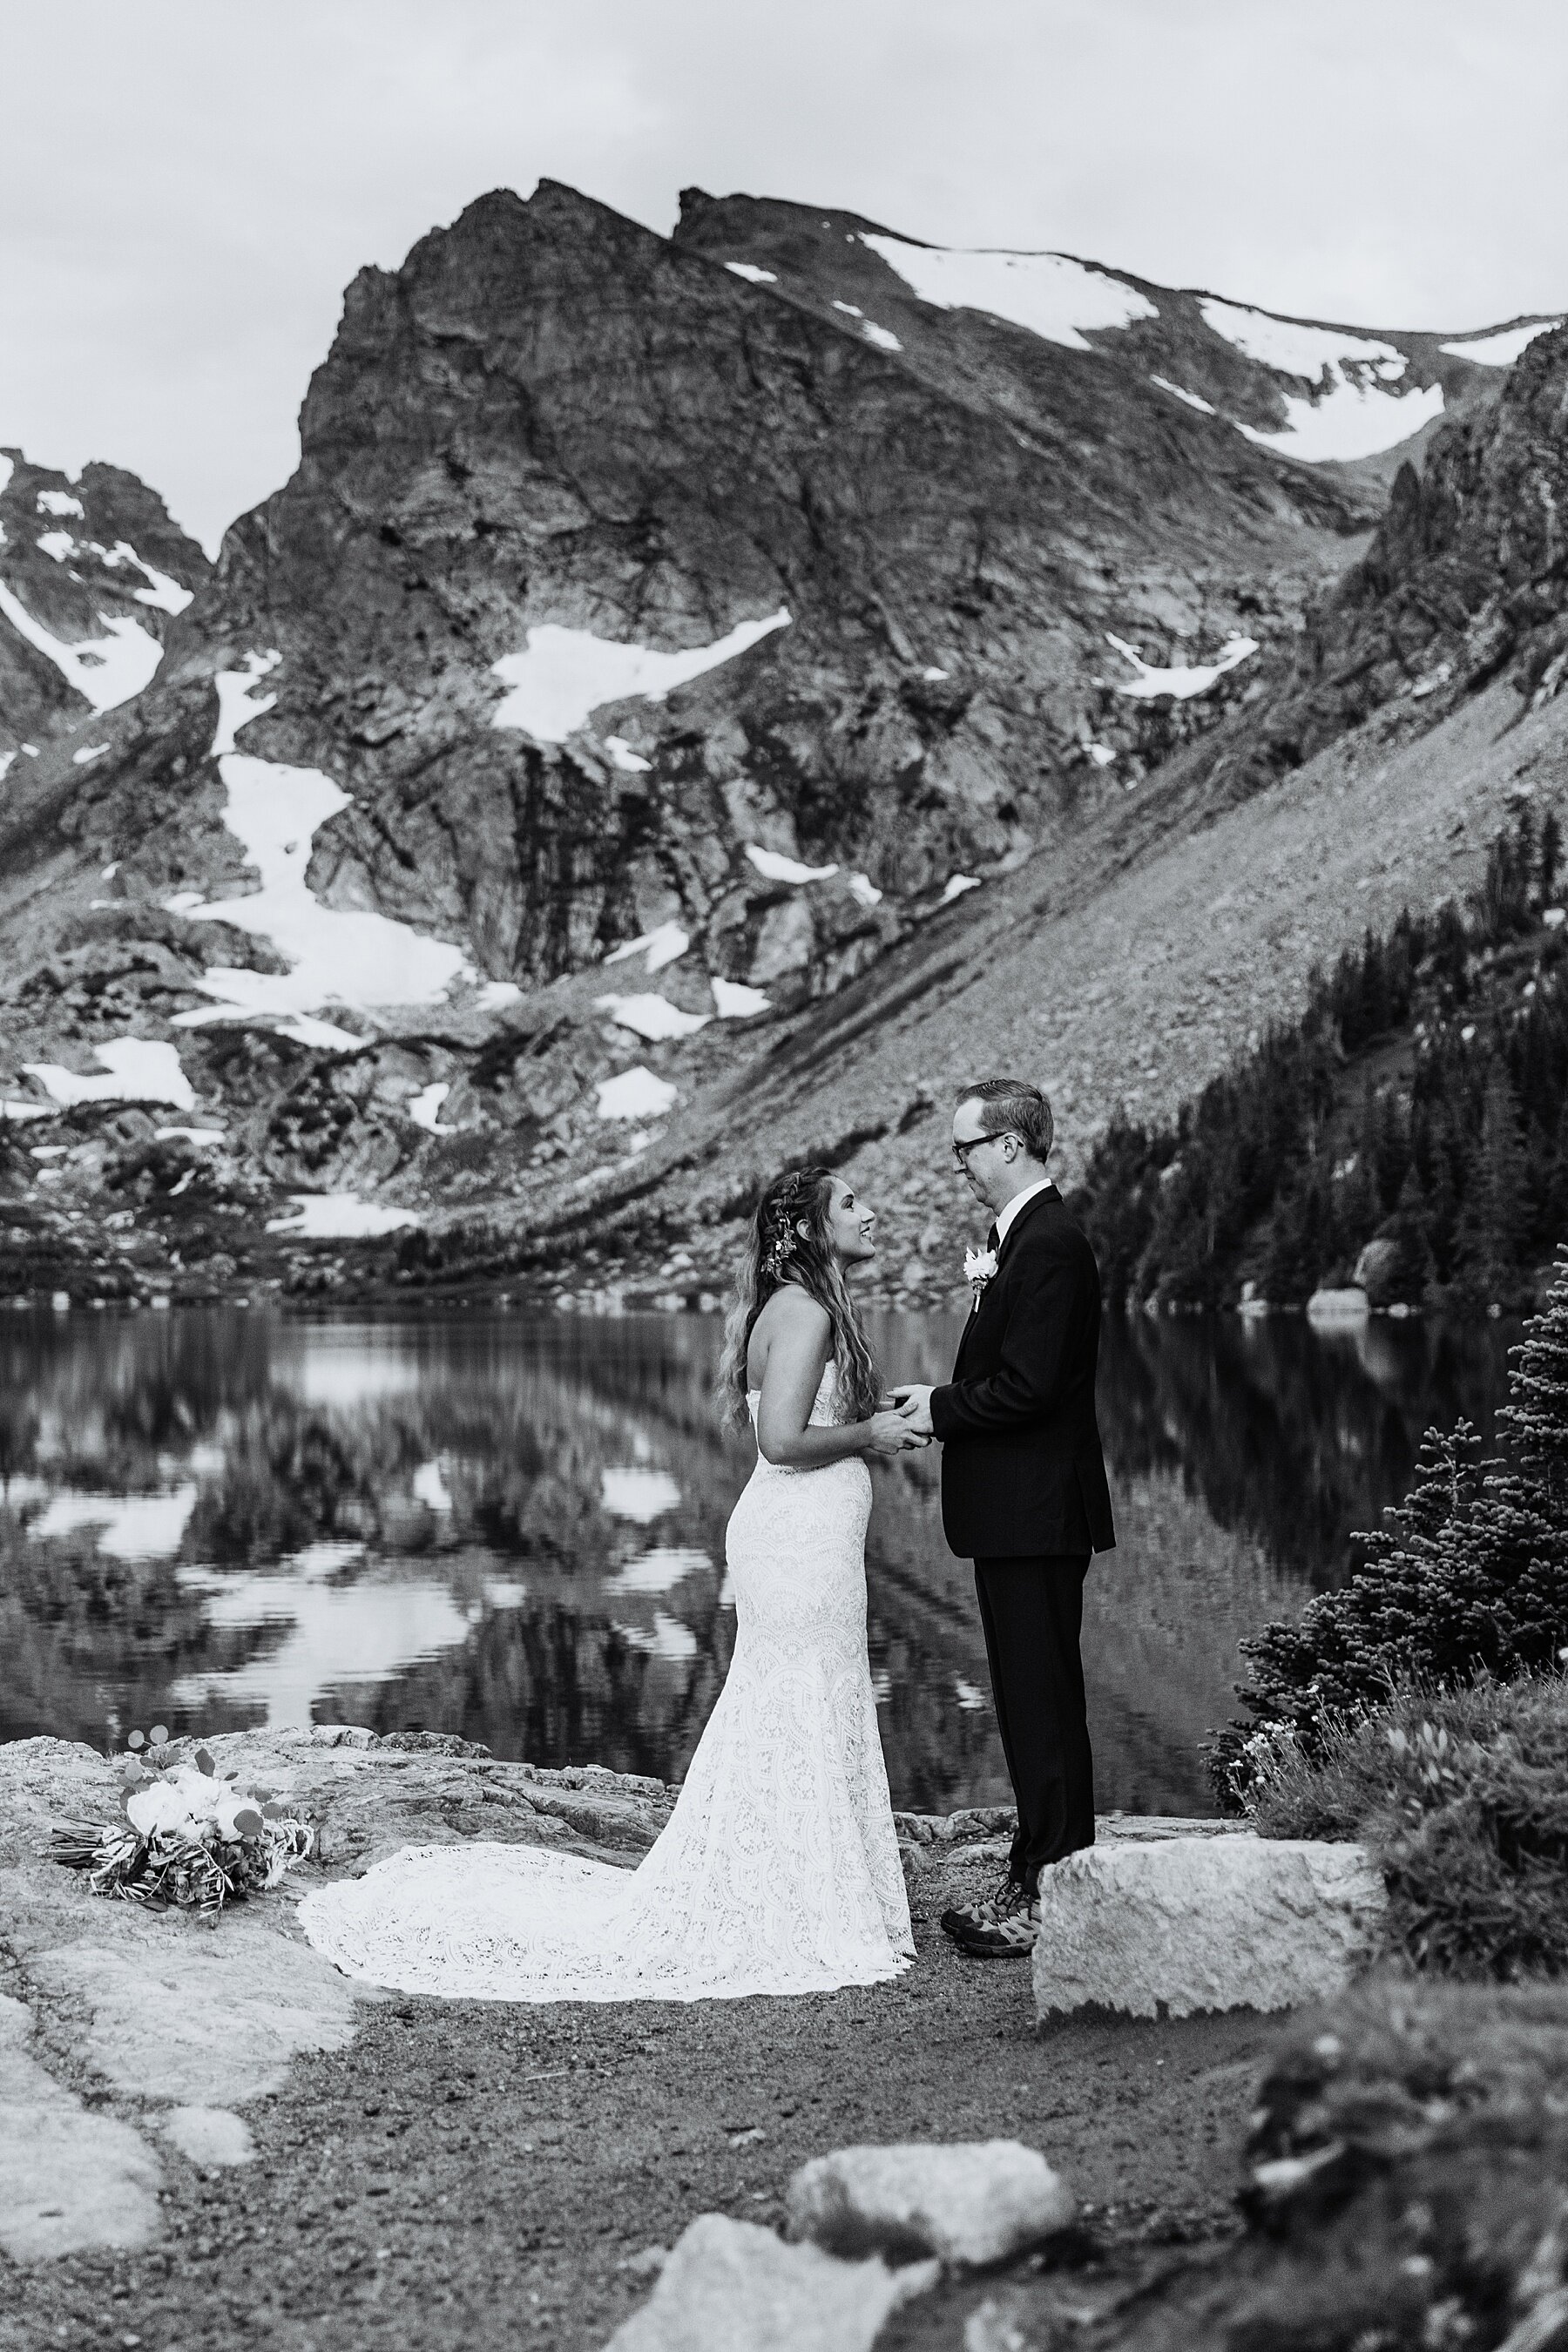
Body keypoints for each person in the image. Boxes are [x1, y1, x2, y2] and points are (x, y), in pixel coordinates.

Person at [297, 1166, 926, 2001]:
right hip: (799, 1531)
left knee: (802, 1692)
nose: (870, 1210)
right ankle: (796, 1897)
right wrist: (873, 1433)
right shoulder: (806, 1310)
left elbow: (801, 1421)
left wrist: (874, 1418)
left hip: (804, 1530)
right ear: (807, 1229)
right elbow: (779, 1440)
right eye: (850, 1203)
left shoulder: (795, 1307)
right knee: (801, 1691)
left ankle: (799, 1883)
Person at [892, 1078, 1115, 1958]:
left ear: (1012, 1145)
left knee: (1041, 1703)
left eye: (968, 1149)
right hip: (1019, 1516)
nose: (961, 1165)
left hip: (1036, 1515)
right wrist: (938, 1402)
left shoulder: (1050, 1244)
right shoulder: (1021, 1241)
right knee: (1032, 1704)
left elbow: (1028, 1388)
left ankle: (1048, 1895)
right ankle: (1046, 1877)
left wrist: (938, 1410)